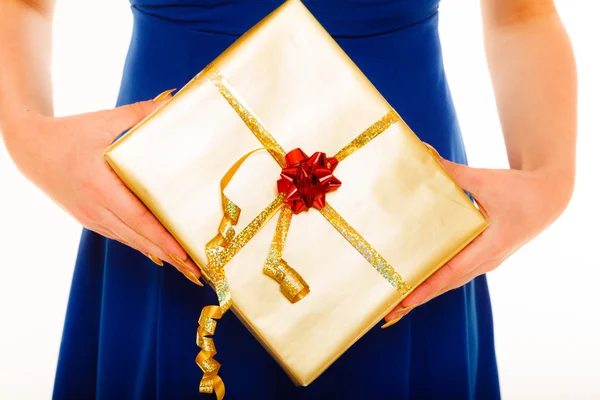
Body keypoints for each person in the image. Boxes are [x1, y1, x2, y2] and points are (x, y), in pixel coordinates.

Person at [0, 0, 576, 398]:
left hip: (398, 212)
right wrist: (27, 137)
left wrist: (550, 181)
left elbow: (521, 14)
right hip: (168, 195)